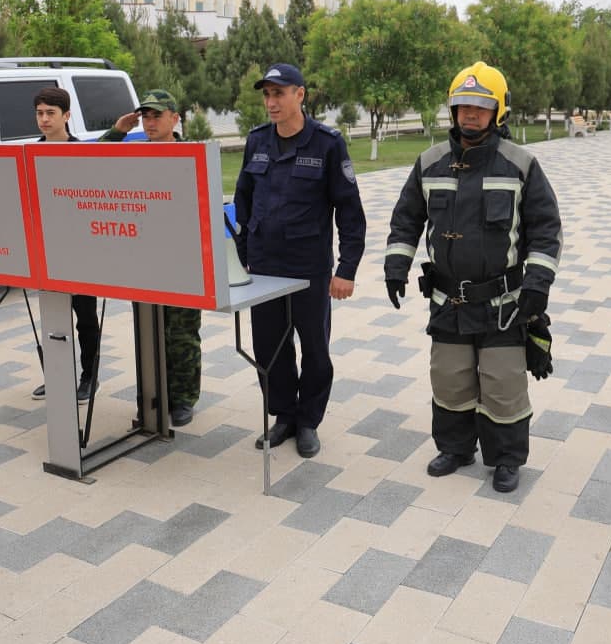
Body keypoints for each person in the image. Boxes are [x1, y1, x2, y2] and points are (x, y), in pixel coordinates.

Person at [384, 62, 562, 493]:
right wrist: (395, 265)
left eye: (481, 107)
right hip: (447, 302)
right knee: (450, 379)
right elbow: (406, 218)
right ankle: (456, 448)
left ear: (498, 111)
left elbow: (545, 228)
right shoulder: (429, 163)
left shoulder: (520, 164)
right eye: (462, 106)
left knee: (503, 383)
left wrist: (537, 286)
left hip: (503, 304)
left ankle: (505, 458)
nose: (470, 114)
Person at [234, 63, 366, 458]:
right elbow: (242, 200)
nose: (271, 102)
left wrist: (346, 269)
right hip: (263, 266)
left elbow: (350, 210)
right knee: (269, 347)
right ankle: (284, 416)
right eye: (267, 95)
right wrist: (242, 255)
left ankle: (308, 420)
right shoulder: (257, 141)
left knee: (314, 348)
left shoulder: (327, 143)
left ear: (300, 95)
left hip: (309, 269)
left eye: (279, 93)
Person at [102, 90, 203, 426]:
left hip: (182, 261)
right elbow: (87, 161)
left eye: (157, 115)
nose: (150, 122)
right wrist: (118, 130)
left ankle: (184, 398)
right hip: (144, 263)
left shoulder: (192, 155)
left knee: (182, 333)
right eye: (145, 116)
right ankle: (152, 397)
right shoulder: (134, 154)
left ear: (175, 118)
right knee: (148, 332)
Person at [30, 86, 101, 403]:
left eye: (50, 113)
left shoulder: (82, 152)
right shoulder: (29, 153)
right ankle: (57, 376)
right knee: (52, 318)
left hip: (80, 251)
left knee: (85, 317)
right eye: (39, 113)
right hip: (45, 250)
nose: (44, 119)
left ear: (67, 116)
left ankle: (90, 376)